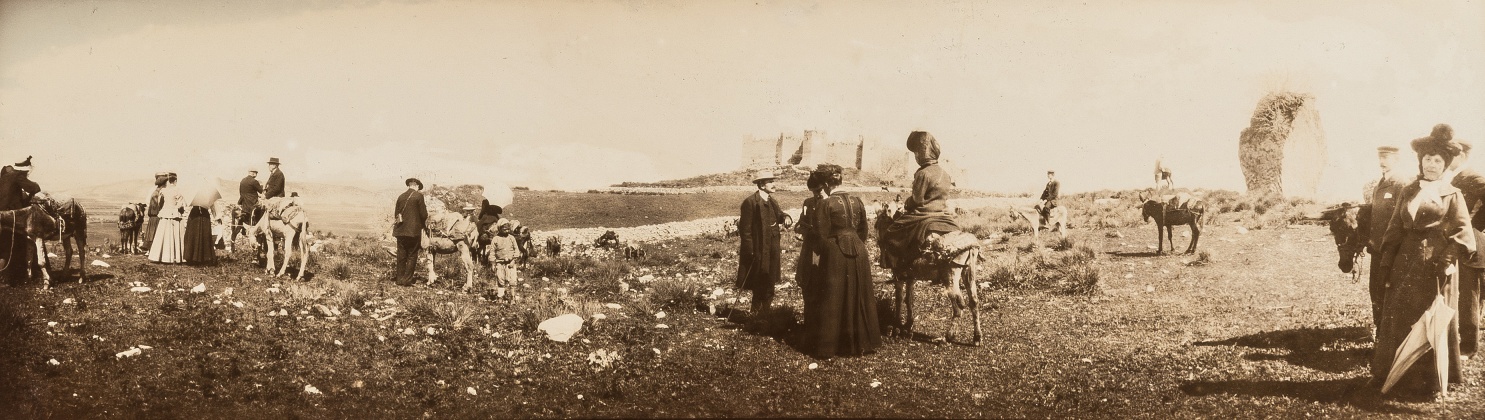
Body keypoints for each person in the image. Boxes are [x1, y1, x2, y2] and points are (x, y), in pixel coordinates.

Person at [1373, 124, 1476, 396]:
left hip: (1436, 266)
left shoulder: (1452, 194)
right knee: (1399, 317)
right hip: (1404, 264)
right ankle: (1396, 374)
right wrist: (1386, 264)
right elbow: (1395, 228)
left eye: (1437, 161)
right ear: (1421, 162)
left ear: (1445, 165)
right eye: (1427, 160)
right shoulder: (1408, 191)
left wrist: (1448, 258)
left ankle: (1430, 380)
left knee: (1432, 321)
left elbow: (1463, 233)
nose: (1431, 165)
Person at [803, 164, 882, 358]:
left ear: (828, 185)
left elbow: (821, 235)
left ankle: (829, 347)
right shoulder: (857, 200)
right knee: (858, 294)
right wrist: (854, 243)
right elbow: (864, 230)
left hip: (835, 252)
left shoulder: (826, 203)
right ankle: (862, 343)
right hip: (859, 251)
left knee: (833, 297)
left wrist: (824, 251)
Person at [881, 131, 959, 267]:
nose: (916, 156)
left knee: (891, 232)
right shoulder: (945, 174)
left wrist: (906, 202)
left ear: (921, 153)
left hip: (922, 214)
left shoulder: (923, 173)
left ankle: (900, 269)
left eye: (916, 152)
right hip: (942, 215)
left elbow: (917, 200)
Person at [1364, 146, 1409, 339]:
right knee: (1375, 288)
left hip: (1393, 249)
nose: (1382, 161)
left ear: (1397, 160)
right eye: (1380, 157)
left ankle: (1388, 333)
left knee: (1388, 289)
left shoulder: (1401, 184)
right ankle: (1379, 328)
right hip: (1377, 248)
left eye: (1387, 157)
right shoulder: (1379, 185)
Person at [736, 169, 789, 322]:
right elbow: (745, 231)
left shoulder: (772, 200)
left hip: (772, 247)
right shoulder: (750, 202)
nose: (774, 184)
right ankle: (756, 315)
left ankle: (766, 313)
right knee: (759, 280)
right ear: (761, 184)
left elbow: (779, 215)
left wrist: (786, 217)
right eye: (770, 182)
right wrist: (751, 252)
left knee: (770, 278)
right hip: (759, 249)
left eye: (773, 181)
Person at [1449, 140, 1485, 358]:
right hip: (1456, 245)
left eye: (1452, 154)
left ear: (1462, 156)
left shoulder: (1472, 178)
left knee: (1469, 296)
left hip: (1471, 247)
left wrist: (1475, 226)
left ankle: (1469, 346)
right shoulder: (1453, 178)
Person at [0, 156, 40, 285]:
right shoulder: (17, 176)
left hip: (2, 214)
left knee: (4, 245)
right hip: (11, 215)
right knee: (16, 242)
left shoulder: (4, 178)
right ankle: (8, 277)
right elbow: (34, 188)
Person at [796, 169, 827, 326]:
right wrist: (801, 230)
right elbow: (801, 223)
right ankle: (810, 324)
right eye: (813, 191)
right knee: (808, 283)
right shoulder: (808, 203)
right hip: (810, 249)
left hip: (825, 250)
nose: (816, 194)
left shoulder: (830, 204)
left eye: (819, 190)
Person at [393, 178, 428, 286]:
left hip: (400, 231)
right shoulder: (418, 196)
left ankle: (399, 280)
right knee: (412, 255)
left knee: (401, 255)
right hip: (413, 232)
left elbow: (396, 214)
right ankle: (407, 280)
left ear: (409, 185)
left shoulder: (401, 196)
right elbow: (424, 215)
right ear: (416, 186)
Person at [148, 173, 186, 264]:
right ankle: (176, 257)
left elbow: (159, 204)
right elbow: (180, 205)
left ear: (168, 181)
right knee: (175, 235)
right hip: (175, 215)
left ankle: (161, 257)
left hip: (165, 214)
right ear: (175, 181)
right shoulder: (178, 191)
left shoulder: (163, 191)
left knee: (163, 235)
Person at [488, 220, 522, 300]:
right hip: (500, 263)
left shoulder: (511, 238)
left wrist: (514, 260)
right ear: (500, 229)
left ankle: (512, 297)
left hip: (511, 263)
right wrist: (493, 263)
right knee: (500, 279)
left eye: (508, 229)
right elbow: (492, 252)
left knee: (512, 280)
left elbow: (516, 250)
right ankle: (500, 297)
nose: (506, 231)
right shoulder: (496, 239)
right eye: (504, 229)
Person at [140, 173, 168, 253]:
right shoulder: (158, 194)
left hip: (153, 217)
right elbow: (159, 206)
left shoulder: (154, 192)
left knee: (152, 234)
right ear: (163, 184)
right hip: (156, 217)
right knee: (155, 235)